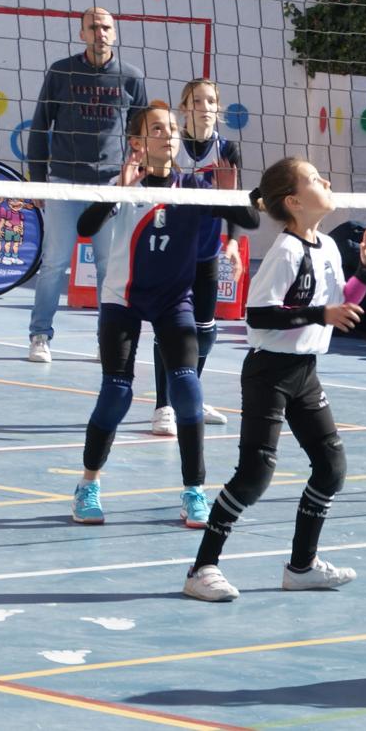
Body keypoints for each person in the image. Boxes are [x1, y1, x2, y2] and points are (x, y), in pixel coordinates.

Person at [183, 158, 366, 602]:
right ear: (294, 201)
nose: (326, 180)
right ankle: (202, 569)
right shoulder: (286, 252)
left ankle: (302, 566)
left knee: (331, 468)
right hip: (269, 373)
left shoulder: (327, 246)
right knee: (255, 473)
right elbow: (258, 315)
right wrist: (320, 313)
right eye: (314, 178)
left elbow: (341, 306)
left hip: (304, 371)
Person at [69, 106, 259, 527]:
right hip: (123, 298)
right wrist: (119, 191)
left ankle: (194, 491)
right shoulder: (125, 185)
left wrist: (230, 193)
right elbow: (85, 227)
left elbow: (250, 218)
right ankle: (88, 484)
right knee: (116, 392)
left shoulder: (195, 187)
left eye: (172, 128)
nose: (168, 134)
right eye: (157, 128)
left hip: (173, 300)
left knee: (187, 390)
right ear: (137, 142)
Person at [26, 6, 148, 363]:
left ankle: (105, 341)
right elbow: (40, 126)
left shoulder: (131, 78)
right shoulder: (61, 72)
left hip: (109, 187)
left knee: (109, 269)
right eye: (93, 27)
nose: (100, 33)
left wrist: (133, 180)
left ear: (115, 32)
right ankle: (39, 335)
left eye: (106, 27)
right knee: (53, 264)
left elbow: (140, 135)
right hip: (63, 183)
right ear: (82, 34)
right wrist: (37, 182)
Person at [149, 79, 244, 436]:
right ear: (184, 108)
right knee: (170, 328)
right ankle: (163, 406)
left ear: (218, 108)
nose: (205, 107)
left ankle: (188, 396)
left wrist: (232, 242)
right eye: (197, 101)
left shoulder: (227, 149)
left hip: (206, 251)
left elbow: (234, 200)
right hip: (172, 251)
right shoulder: (172, 143)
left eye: (211, 101)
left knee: (205, 332)